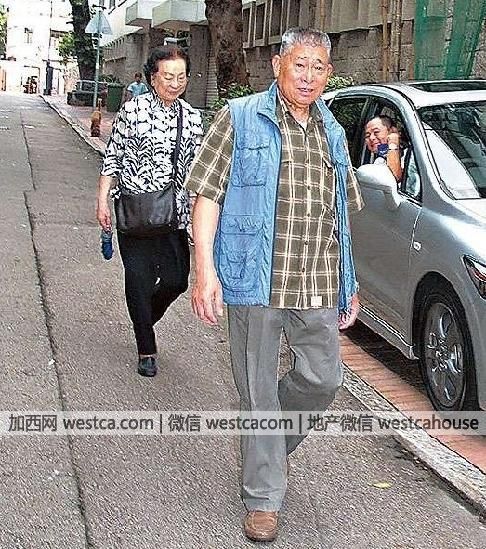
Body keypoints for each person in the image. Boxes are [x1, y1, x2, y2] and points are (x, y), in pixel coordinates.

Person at [185, 27, 363, 542]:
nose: (308, 76)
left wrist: (349, 281)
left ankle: (263, 450)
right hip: (254, 279)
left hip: (316, 278)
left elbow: (339, 214)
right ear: (278, 65)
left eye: (318, 67)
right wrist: (204, 270)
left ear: (329, 74)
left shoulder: (332, 130)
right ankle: (263, 498)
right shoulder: (239, 117)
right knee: (258, 390)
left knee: (323, 380)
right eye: (299, 64)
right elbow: (206, 195)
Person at [96, 46, 203, 377]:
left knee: (176, 281)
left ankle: (143, 318)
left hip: (174, 215)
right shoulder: (133, 111)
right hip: (135, 212)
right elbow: (113, 156)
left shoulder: (193, 118)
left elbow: (197, 172)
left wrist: (198, 217)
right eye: (167, 76)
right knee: (139, 280)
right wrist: (102, 199)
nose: (174, 83)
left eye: (181, 76)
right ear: (152, 78)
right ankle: (146, 346)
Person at [364, 114, 402, 181]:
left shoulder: (412, 156)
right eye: (367, 136)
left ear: (392, 131)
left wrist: (393, 143)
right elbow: (392, 179)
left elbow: (395, 177)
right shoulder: (378, 162)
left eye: (376, 132)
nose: (371, 138)